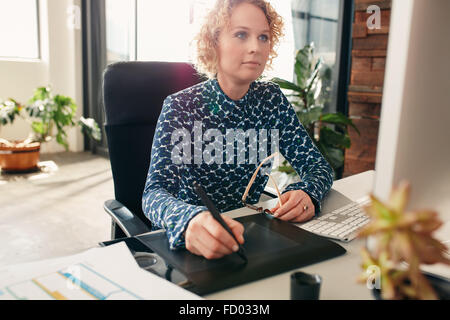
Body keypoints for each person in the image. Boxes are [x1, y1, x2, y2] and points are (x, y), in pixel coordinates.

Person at [142, 0, 333, 260]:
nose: (256, 47)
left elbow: (318, 167)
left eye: (263, 37)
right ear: (214, 42)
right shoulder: (181, 107)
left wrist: (307, 192)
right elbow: (154, 193)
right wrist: (189, 220)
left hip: (249, 236)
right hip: (191, 244)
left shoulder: (271, 100)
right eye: (241, 35)